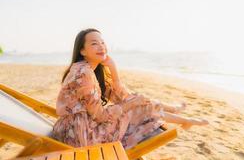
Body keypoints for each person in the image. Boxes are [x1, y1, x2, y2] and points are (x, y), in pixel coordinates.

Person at [52, 28, 208, 149]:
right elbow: (101, 116)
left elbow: (122, 96)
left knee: (135, 102)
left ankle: (180, 115)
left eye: (102, 42)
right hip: (80, 137)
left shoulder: (88, 70)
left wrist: (113, 68)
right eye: (94, 43)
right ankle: (181, 116)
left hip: (78, 129)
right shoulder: (83, 73)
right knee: (136, 107)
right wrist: (132, 104)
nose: (101, 46)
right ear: (82, 51)